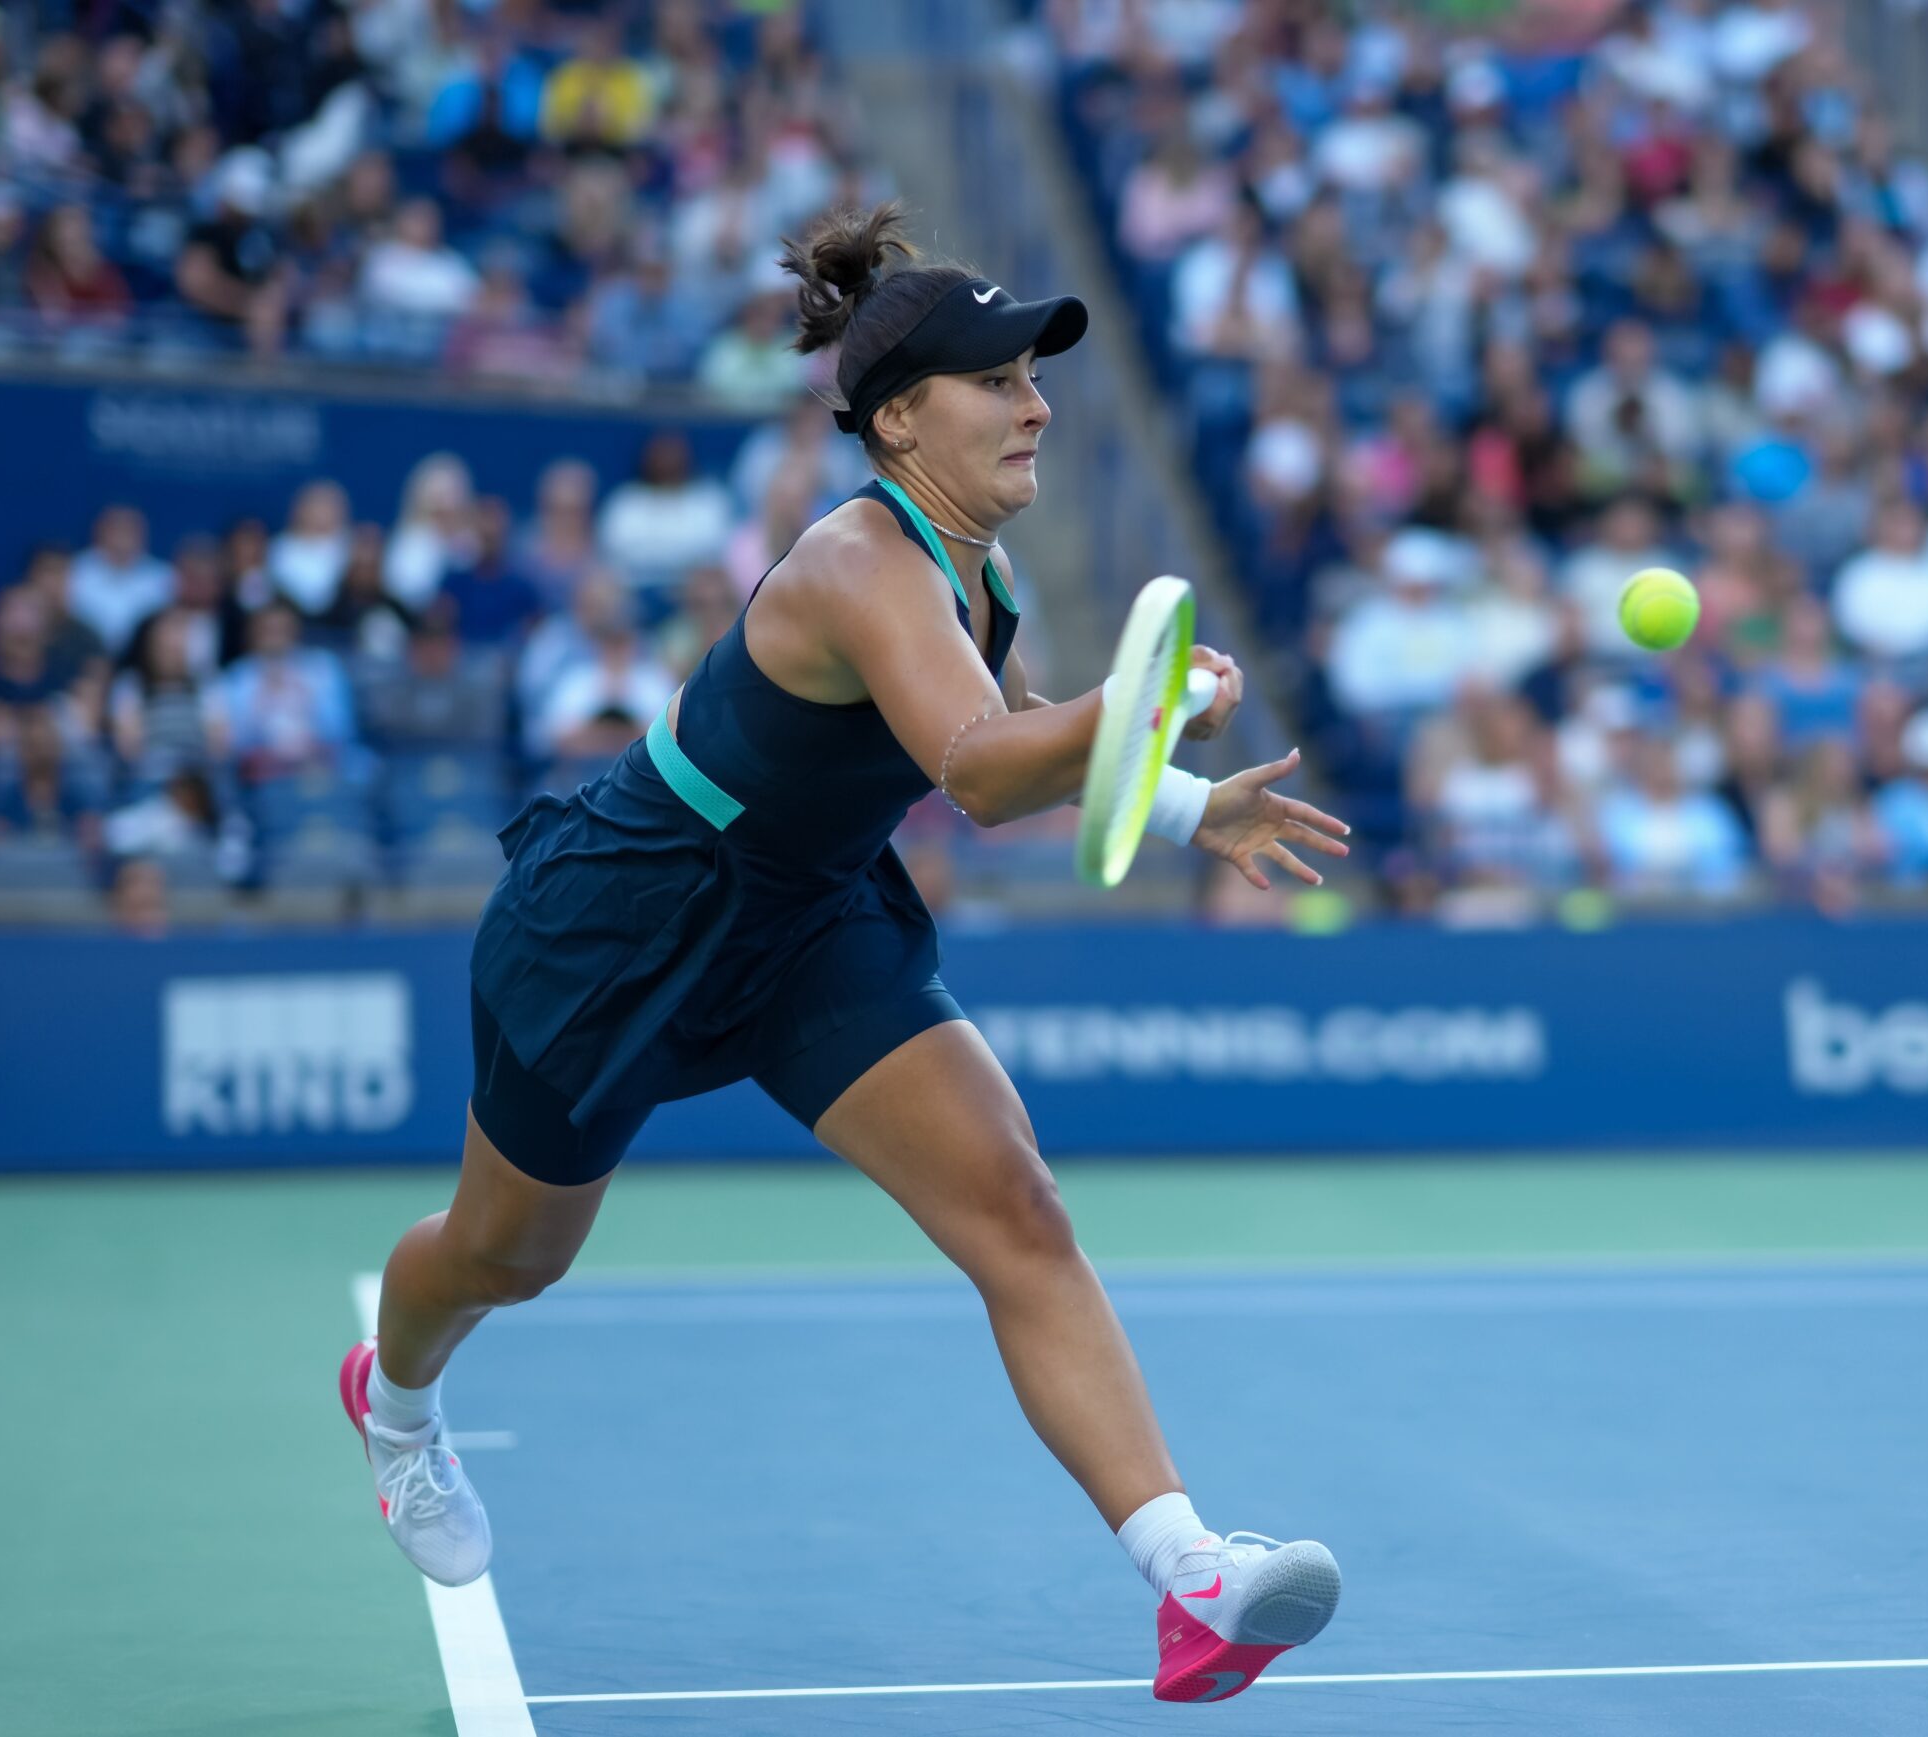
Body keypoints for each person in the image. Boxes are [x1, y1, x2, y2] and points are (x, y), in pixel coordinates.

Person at [337, 205, 1349, 1704]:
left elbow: (1015, 744)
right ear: (897, 420)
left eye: (1036, 376)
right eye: (1000, 380)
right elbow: (989, 771)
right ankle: (398, 1401)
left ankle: (1190, 1573)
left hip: (809, 915)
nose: (1036, 404)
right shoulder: (857, 558)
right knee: (509, 1253)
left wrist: (1179, 794)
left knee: (1017, 1203)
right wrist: (1147, 712)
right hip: (622, 922)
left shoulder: (979, 572)